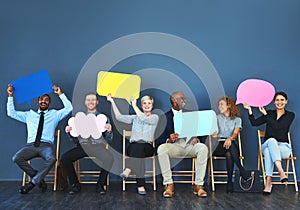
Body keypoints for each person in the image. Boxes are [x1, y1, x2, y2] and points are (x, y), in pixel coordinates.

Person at [7, 84, 73, 194]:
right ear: (38, 102)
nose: (44, 101)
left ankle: (33, 183)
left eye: (46, 100)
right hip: (31, 146)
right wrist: (10, 95)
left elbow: (69, 108)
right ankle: (38, 178)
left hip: (46, 146)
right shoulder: (29, 115)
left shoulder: (55, 114)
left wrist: (60, 93)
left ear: (49, 103)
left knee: (52, 159)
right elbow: (11, 113)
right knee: (16, 158)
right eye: (41, 99)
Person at [156, 91, 208, 198]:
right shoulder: (163, 117)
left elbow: (201, 132)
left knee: (203, 148)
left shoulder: (191, 114)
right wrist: (169, 139)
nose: (184, 100)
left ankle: (198, 185)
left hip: (190, 146)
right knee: (161, 148)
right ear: (174, 101)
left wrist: (197, 138)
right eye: (181, 98)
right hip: (174, 145)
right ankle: (169, 184)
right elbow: (158, 139)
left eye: (184, 99)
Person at [60, 93, 114, 195]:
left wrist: (109, 132)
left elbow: (109, 140)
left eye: (93, 100)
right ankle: (75, 184)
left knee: (109, 158)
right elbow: (74, 140)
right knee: (65, 158)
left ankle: (100, 185)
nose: (90, 102)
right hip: (83, 146)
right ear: (85, 102)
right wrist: (70, 133)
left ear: (97, 102)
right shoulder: (79, 118)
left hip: (98, 146)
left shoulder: (103, 117)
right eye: (88, 100)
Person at [243, 91, 295, 195]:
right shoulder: (270, 113)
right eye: (277, 100)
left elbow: (278, 127)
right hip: (269, 144)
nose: (279, 102)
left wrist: (266, 115)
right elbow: (254, 123)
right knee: (271, 141)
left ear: (286, 101)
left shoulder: (290, 115)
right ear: (274, 102)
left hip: (283, 148)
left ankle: (268, 183)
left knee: (268, 152)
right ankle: (281, 171)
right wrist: (249, 110)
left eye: (282, 100)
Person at [107, 94, 159, 195]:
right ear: (142, 105)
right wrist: (112, 101)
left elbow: (144, 118)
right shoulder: (135, 118)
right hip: (134, 147)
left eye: (149, 103)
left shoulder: (154, 117)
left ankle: (128, 169)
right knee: (138, 152)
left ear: (152, 105)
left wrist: (134, 105)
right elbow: (118, 117)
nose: (147, 105)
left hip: (147, 147)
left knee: (140, 147)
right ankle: (140, 185)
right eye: (144, 103)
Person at [212, 96, 249, 193]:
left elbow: (236, 133)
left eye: (221, 104)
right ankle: (241, 170)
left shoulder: (237, 119)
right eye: (218, 105)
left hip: (229, 145)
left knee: (229, 153)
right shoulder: (216, 118)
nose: (219, 107)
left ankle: (229, 181)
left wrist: (229, 138)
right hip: (218, 145)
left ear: (228, 106)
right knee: (231, 147)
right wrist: (213, 134)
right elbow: (212, 133)